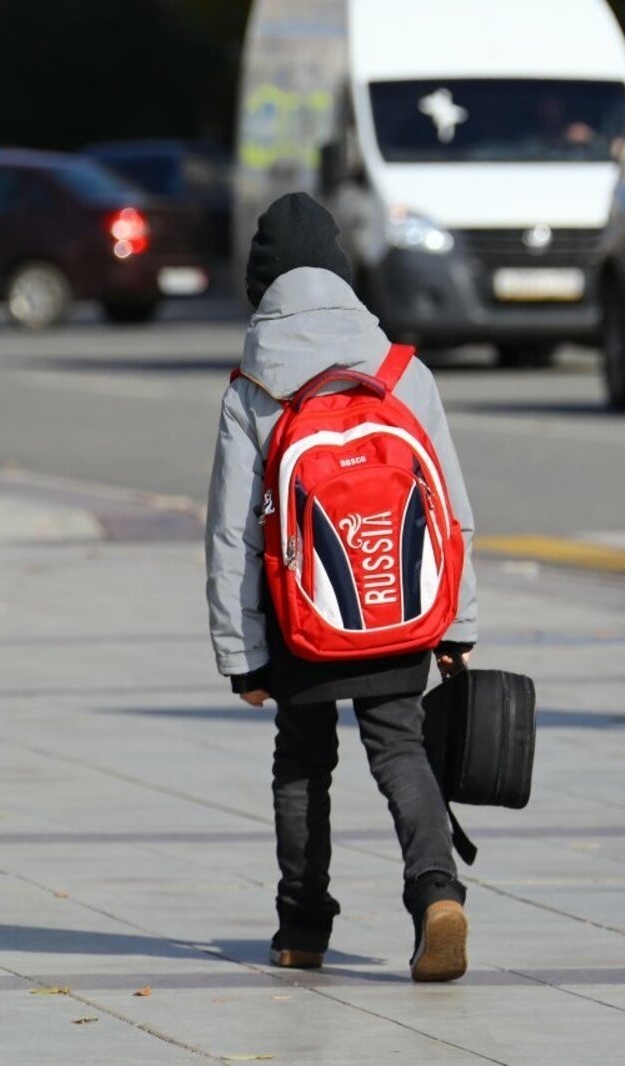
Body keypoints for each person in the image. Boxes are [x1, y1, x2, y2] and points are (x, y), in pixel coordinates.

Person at [205, 192, 478, 983]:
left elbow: (231, 533)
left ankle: (302, 928)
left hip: (303, 618)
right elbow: (451, 509)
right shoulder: (402, 371)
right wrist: (455, 624)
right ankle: (436, 893)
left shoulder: (254, 388)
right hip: (398, 603)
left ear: (261, 285)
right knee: (401, 749)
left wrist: (242, 656)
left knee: (302, 759)